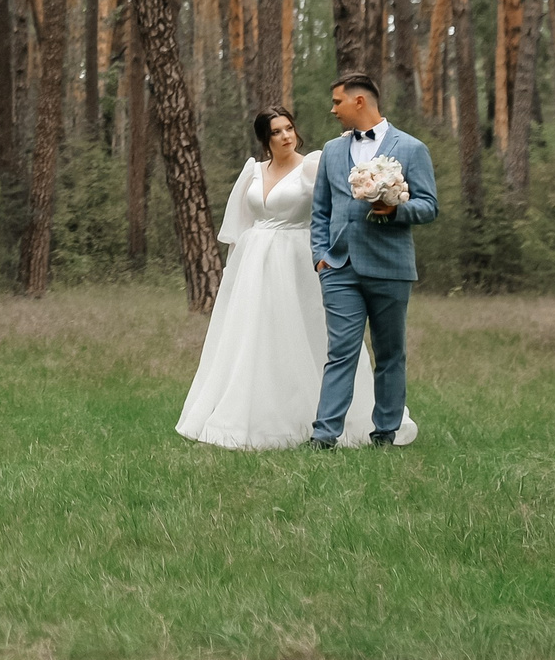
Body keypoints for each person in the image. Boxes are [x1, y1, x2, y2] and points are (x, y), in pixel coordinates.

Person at [177, 103, 417, 450]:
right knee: (255, 336)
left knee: (310, 334)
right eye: (276, 131)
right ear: (265, 138)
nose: (286, 136)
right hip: (253, 264)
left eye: (288, 128)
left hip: (297, 260)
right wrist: (235, 272)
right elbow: (240, 225)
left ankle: (334, 419)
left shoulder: (312, 165)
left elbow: (339, 199)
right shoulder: (253, 171)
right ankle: (254, 414)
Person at [308, 69, 437, 449]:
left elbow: (429, 206)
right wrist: (321, 257)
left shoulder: (411, 148)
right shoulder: (332, 151)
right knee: (340, 352)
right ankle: (324, 436)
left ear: (359, 101)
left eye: (337, 102)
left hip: (390, 267)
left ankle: (385, 433)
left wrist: (396, 209)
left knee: (390, 353)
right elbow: (320, 211)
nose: (333, 110)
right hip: (339, 267)